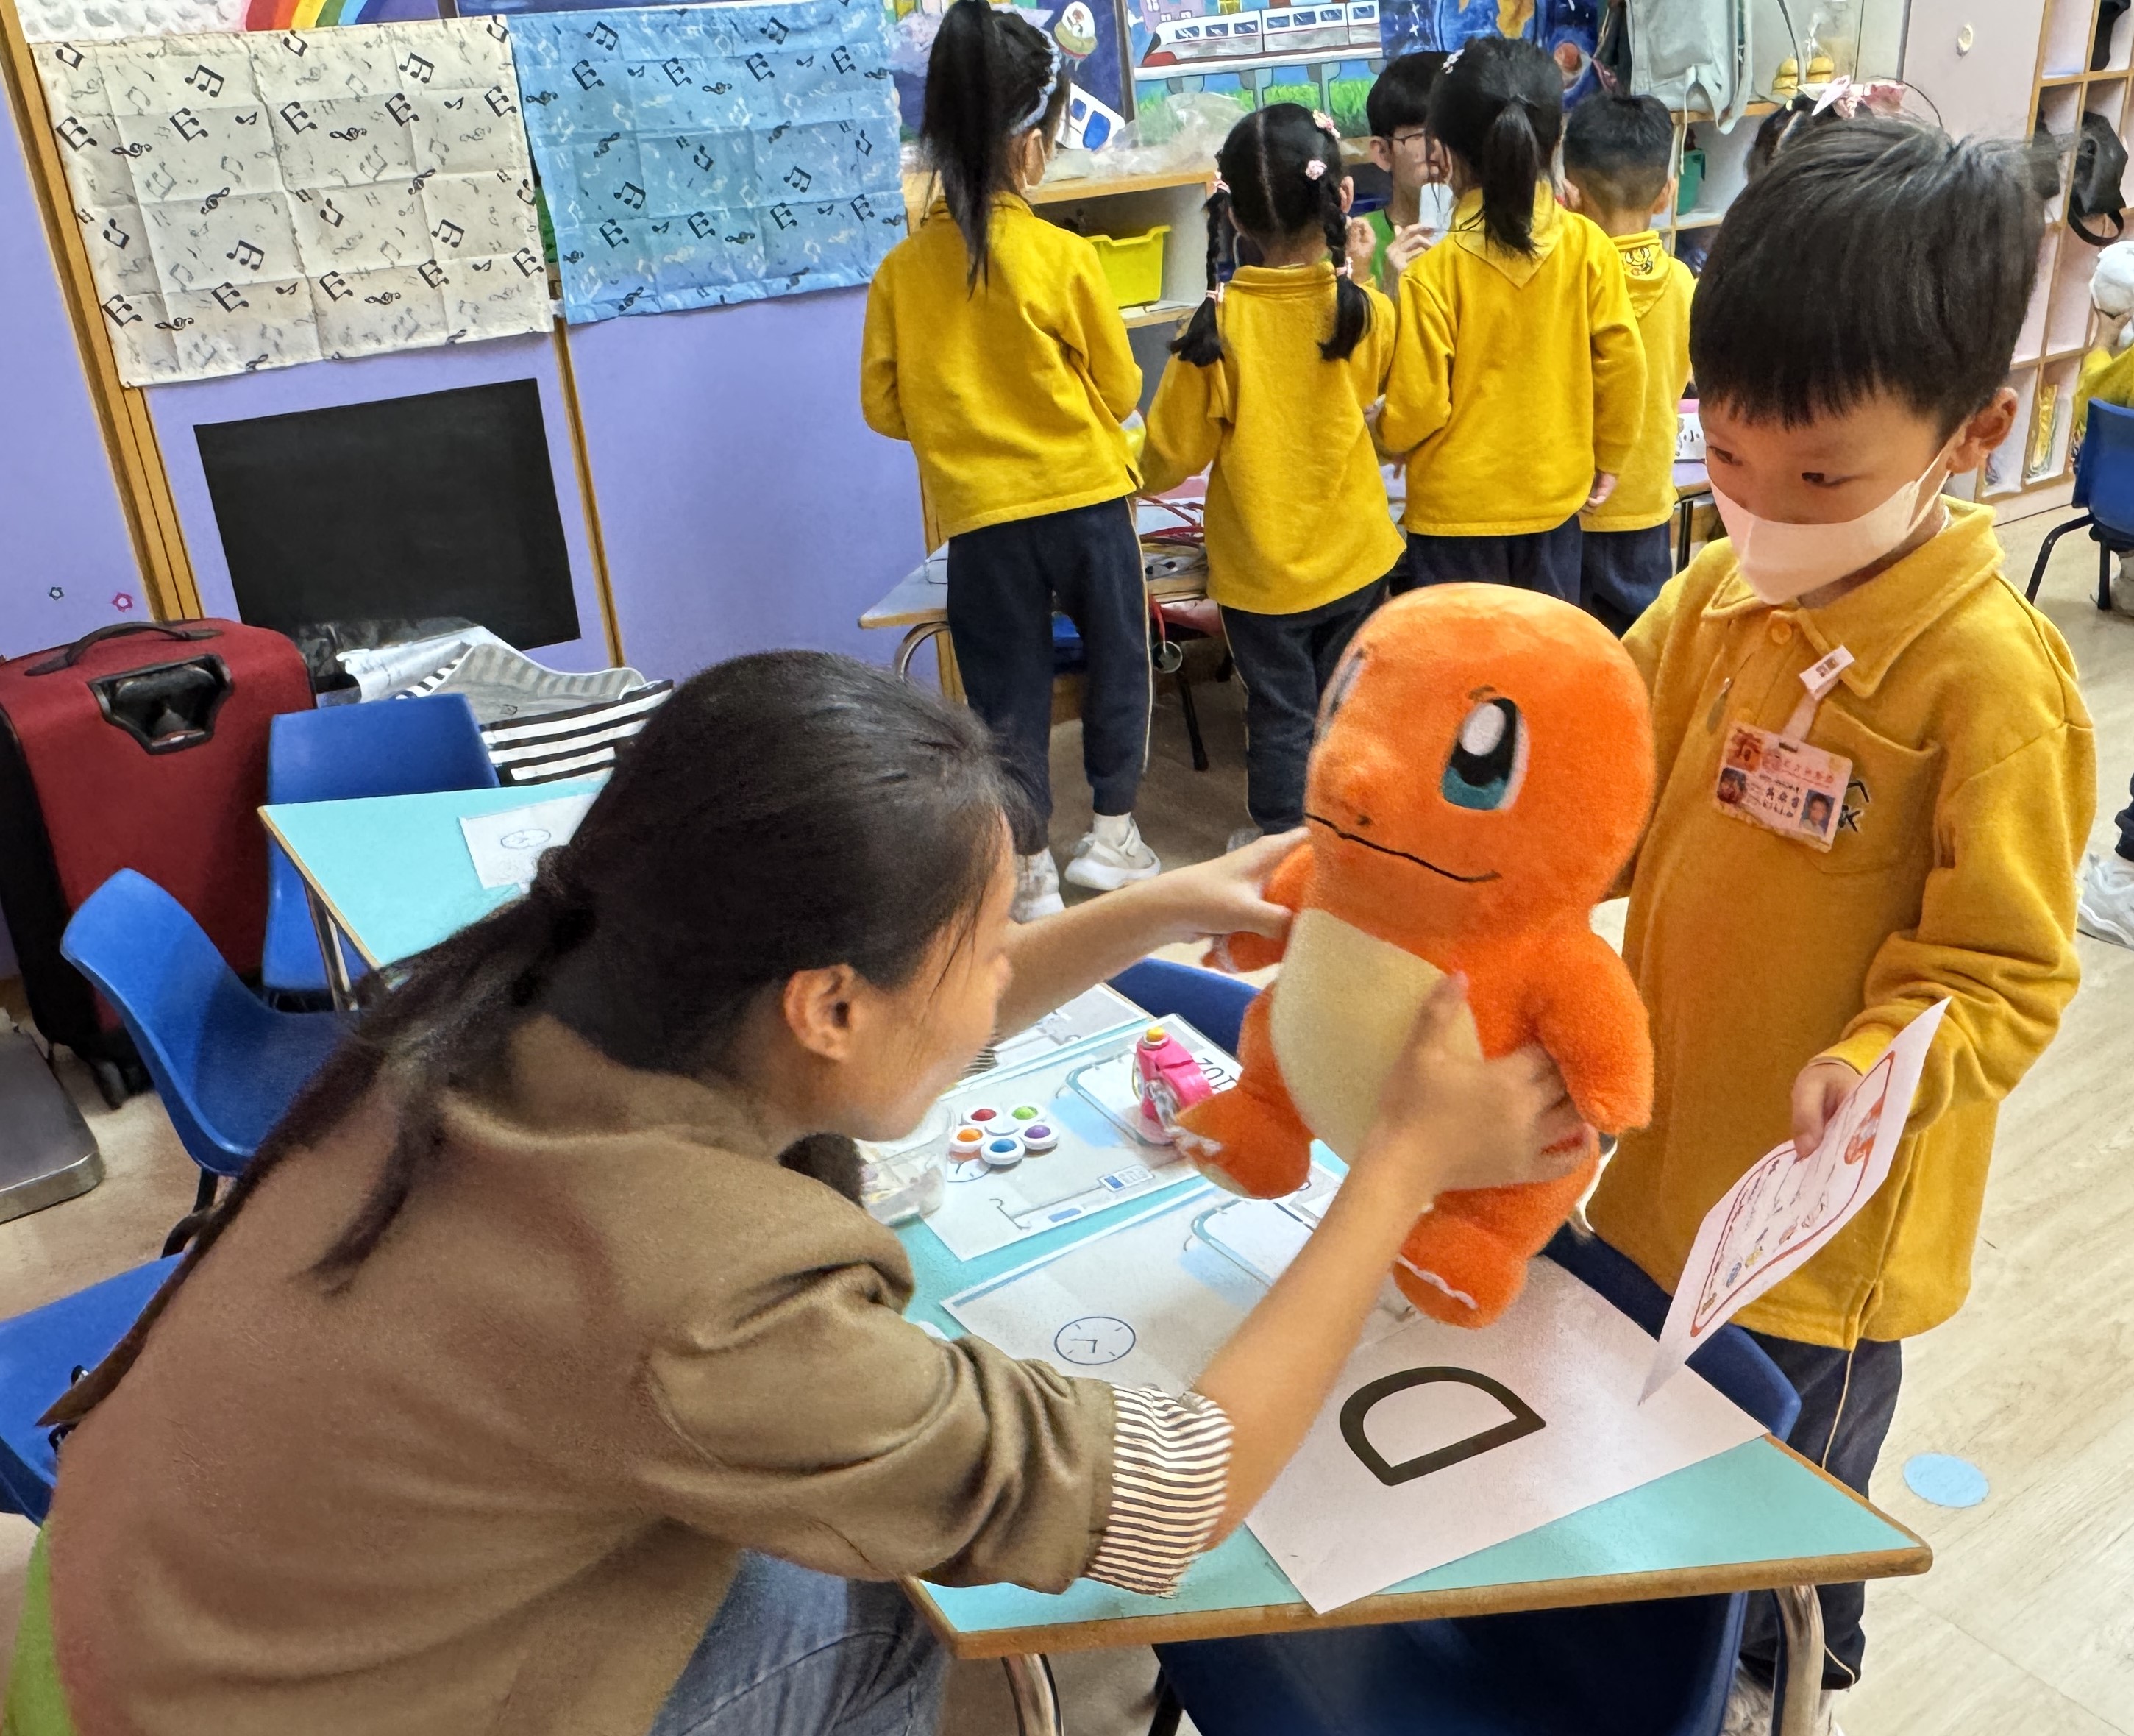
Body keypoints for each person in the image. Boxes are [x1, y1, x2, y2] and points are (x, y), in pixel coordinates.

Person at [10, 654, 1584, 1736]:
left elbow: (878, 1045)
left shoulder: (500, 1009)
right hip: (216, 1705)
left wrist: (1155, 907)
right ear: (826, 1003)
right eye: (985, 947)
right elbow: (1173, 1496)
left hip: (121, 1618)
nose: (996, 978)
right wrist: (1398, 1166)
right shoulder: (707, 1300)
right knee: (897, 1603)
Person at [1580, 123, 2095, 1736]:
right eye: (1725, 457)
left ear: (1973, 431)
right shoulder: (1721, 595)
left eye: (1818, 478)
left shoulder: (1987, 682)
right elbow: (1606, 772)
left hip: (1812, 1237)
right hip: (1655, 1163)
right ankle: (1662, 1645)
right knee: (1642, 1459)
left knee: (1780, 1512)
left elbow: (2005, 967)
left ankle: (1776, 1681)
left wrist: (1878, 1056)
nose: (1757, 509)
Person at [861, 0, 1159, 923]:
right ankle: (1113, 837)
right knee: (1120, 663)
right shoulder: (1063, 256)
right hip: (1087, 503)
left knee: (1004, 695)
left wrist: (962, 424)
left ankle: (1028, 870)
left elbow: (882, 406)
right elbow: (1120, 388)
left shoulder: (901, 273)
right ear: (1031, 145)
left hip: (983, 522)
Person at [1140, 104, 1406, 848]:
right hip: (1357, 555)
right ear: (1342, 197)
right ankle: (1357, 834)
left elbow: (1169, 456)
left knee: (1282, 713)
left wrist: (1120, 464)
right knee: (1349, 704)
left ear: (1231, 214)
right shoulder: (1367, 309)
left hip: (1261, 576)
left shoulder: (1216, 327)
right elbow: (1378, 404)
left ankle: (1284, 850)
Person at [1377, 34, 1645, 601]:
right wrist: (1611, 454)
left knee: (1461, 657)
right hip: (1553, 500)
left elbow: (1418, 407)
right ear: (1555, 141)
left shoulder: (1432, 273)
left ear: (1442, 152)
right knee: (1541, 650)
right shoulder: (1588, 248)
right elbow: (1622, 364)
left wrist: (1384, 434)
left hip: (1453, 517)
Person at [1560, 91, 1696, 634]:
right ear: (1666, 195)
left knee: (1565, 651)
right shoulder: (1683, 284)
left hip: (1565, 503)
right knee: (1639, 648)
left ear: (1568, 195)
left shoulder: (1561, 286)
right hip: (1645, 504)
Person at [1360, 51, 1456, 302]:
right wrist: (1389, 293)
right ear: (1383, 152)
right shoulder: (1357, 243)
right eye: (1422, 136)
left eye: (1454, 132)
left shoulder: (1489, 230)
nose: (1441, 150)